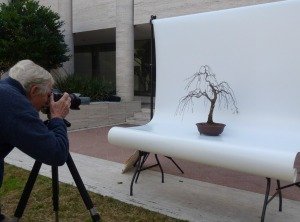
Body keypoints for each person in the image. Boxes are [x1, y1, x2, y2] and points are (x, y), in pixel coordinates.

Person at [0, 60, 71, 221]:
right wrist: (58, 118)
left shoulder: (4, 91)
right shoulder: (13, 103)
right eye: (47, 95)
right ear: (33, 90)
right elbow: (57, 153)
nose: (48, 101)